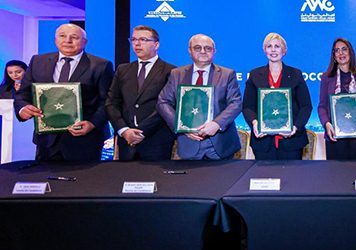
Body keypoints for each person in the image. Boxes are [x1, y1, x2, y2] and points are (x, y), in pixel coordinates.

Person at [14, 23, 114, 161]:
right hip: (46, 141)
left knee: (85, 182)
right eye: (62, 36)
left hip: (84, 140)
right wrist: (23, 108)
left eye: (74, 37)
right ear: (55, 40)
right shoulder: (38, 61)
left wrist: (92, 124)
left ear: (84, 42)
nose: (67, 40)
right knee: (44, 179)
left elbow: (107, 100)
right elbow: (22, 94)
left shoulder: (101, 65)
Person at [157, 34, 242, 160]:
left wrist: (216, 124)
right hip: (188, 144)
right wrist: (181, 126)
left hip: (220, 145)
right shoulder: (177, 74)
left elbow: (236, 103)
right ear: (189, 50)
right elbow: (163, 102)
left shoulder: (227, 74)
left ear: (214, 51)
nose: (203, 51)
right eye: (197, 48)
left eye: (208, 48)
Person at [105, 25, 176, 161]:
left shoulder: (171, 71)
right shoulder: (123, 70)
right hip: (126, 141)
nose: (137, 44)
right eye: (134, 39)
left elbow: (168, 106)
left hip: (156, 140)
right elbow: (111, 103)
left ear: (156, 44)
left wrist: (142, 131)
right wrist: (124, 130)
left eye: (143, 39)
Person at [242, 33, 312, 160]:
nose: (273, 50)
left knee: (291, 179)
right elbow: (247, 107)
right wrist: (254, 122)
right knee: (263, 177)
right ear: (264, 50)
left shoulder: (296, 74)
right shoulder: (254, 75)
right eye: (269, 46)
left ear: (284, 51)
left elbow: (306, 106)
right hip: (263, 143)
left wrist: (295, 127)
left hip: (292, 142)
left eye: (277, 46)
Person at [317, 38, 356, 160]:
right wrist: (327, 124)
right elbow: (322, 107)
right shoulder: (326, 77)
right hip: (335, 137)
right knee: (335, 176)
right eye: (337, 50)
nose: (341, 53)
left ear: (350, 52)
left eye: (344, 49)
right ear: (334, 55)